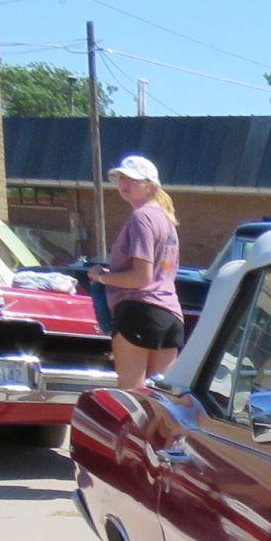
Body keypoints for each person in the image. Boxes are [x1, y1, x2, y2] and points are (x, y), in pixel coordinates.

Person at [93, 154, 182, 389]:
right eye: (121, 178)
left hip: (138, 311)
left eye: (132, 179)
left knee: (131, 396)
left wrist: (101, 277)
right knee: (161, 403)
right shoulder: (167, 220)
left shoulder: (141, 218)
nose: (124, 184)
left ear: (150, 186)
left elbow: (141, 278)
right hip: (170, 315)